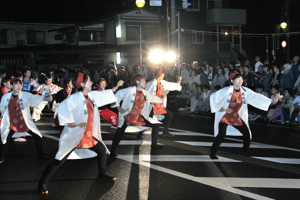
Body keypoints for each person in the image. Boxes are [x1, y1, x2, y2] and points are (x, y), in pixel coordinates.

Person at [38, 72, 118, 195]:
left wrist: (115, 88)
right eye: (89, 81)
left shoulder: (91, 95)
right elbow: (63, 106)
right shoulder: (74, 98)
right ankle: (42, 183)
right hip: (76, 135)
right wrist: (69, 121)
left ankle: (102, 173)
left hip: (88, 135)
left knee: (101, 150)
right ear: (82, 84)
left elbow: (104, 94)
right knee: (59, 159)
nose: (91, 82)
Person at [209, 72, 277, 159]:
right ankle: (212, 153)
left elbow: (256, 97)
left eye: (241, 79)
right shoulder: (227, 90)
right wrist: (219, 109)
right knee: (221, 135)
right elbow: (214, 96)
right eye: (237, 79)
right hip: (226, 116)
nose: (240, 80)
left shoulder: (245, 91)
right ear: (232, 81)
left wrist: (270, 101)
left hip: (235, 117)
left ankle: (245, 151)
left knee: (246, 132)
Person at [110, 74, 163, 157]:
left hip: (138, 117)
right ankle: (112, 152)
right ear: (137, 82)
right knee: (119, 133)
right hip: (127, 116)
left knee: (156, 125)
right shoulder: (130, 90)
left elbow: (153, 98)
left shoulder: (145, 93)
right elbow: (116, 96)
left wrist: (161, 99)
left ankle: (154, 145)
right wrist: (119, 108)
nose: (145, 82)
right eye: (143, 80)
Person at [0, 78, 51, 164]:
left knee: (38, 136)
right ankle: (1, 157)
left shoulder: (25, 95)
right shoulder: (6, 97)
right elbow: (2, 108)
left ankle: (40, 153)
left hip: (24, 122)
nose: (19, 86)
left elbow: (34, 98)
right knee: (5, 139)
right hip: (12, 123)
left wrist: (46, 98)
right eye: (16, 84)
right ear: (12, 86)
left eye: (20, 84)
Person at [138, 68, 182, 138]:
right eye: (163, 74)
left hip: (158, 106)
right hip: (152, 105)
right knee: (150, 122)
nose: (163, 75)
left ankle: (164, 132)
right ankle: (151, 139)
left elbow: (173, 85)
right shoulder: (151, 83)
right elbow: (146, 94)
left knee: (168, 116)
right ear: (161, 75)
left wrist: (179, 81)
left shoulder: (163, 83)